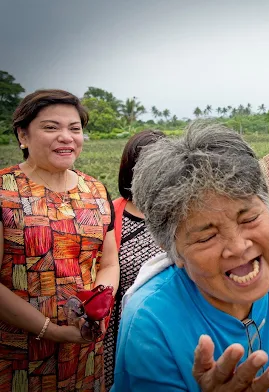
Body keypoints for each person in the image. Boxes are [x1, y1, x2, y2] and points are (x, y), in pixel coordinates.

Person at [111, 123, 269, 391]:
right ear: (173, 250)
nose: (237, 246)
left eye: (249, 218)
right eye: (206, 237)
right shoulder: (150, 321)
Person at [0, 89, 119, 391]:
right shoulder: (5, 191)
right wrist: (50, 330)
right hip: (18, 354)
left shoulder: (95, 190)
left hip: (84, 350)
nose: (66, 137)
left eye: (74, 129)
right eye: (51, 127)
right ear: (23, 136)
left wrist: (99, 306)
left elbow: (107, 262)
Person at [103, 130, 165, 389]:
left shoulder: (181, 213)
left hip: (167, 323)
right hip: (120, 324)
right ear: (131, 169)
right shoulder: (110, 213)